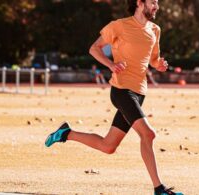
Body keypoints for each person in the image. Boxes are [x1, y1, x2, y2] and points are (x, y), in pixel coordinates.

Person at [45, 0, 183, 194]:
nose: (156, 6)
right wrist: (110, 65)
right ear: (139, 3)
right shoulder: (119, 26)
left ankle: (65, 133)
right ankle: (159, 189)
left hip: (139, 92)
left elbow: (153, 59)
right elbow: (94, 48)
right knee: (148, 134)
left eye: (157, 2)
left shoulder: (155, 29)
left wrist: (159, 65)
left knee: (108, 146)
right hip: (121, 90)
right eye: (152, 2)